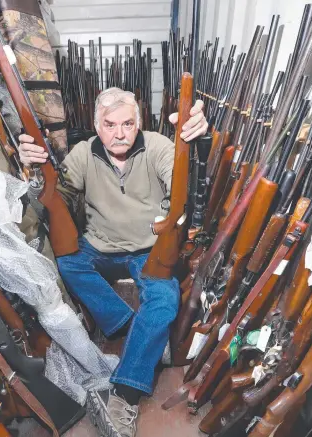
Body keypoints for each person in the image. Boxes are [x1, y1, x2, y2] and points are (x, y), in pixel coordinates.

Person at [18, 88, 209, 437]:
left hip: (147, 250)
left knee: (165, 299)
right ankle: (124, 323)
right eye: (109, 125)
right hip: (99, 247)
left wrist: (194, 141)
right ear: (96, 125)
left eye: (128, 124)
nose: (119, 133)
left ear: (139, 123)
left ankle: (125, 391)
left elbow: (179, 183)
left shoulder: (158, 147)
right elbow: (55, 197)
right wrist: (31, 171)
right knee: (67, 263)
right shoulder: (82, 153)